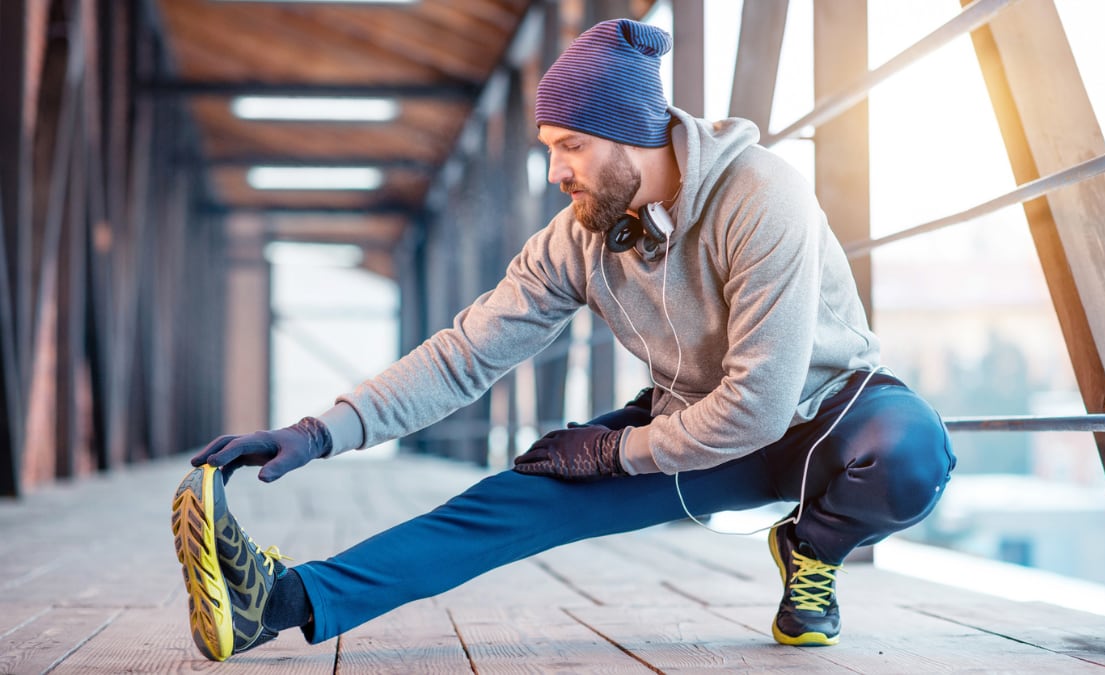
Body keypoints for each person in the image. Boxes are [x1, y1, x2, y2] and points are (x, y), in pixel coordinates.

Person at [170, 18, 956, 662]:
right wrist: (318, 432)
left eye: (570, 145)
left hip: (830, 412)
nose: (556, 171)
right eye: (549, 146)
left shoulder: (762, 195)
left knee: (912, 451)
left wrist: (615, 452)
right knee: (513, 502)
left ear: (631, 135)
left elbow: (760, 404)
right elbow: (464, 354)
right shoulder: (577, 239)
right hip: (698, 427)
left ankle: (814, 550)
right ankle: (278, 602)